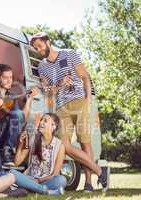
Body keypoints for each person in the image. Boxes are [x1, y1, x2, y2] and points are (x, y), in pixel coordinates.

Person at [30, 32, 109, 192]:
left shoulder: (69, 54)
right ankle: (100, 171)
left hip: (80, 102)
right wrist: (59, 84)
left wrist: (87, 102)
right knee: (64, 145)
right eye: (35, 48)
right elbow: (48, 92)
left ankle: (88, 183)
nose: (38, 50)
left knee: (84, 142)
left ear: (48, 42)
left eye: (39, 46)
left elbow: (85, 77)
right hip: (61, 108)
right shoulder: (42, 66)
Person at [0, 64, 38, 167]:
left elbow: (22, 119)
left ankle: (7, 151)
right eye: (5, 78)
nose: (9, 81)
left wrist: (29, 100)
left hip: (3, 136)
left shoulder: (11, 99)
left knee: (18, 113)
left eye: (10, 77)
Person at [10, 113, 66, 195]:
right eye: (41, 120)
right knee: (12, 173)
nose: (41, 122)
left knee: (61, 180)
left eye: (45, 121)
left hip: (46, 180)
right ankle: (40, 189)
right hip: (30, 178)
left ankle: (31, 188)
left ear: (53, 127)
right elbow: (16, 162)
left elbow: (55, 174)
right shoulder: (33, 139)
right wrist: (21, 144)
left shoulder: (60, 146)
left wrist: (39, 180)